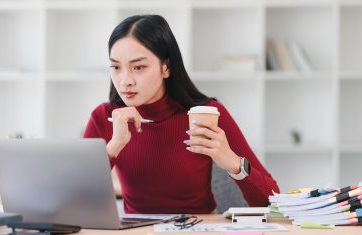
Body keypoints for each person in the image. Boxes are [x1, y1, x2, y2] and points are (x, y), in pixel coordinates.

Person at [84, 15, 279, 214]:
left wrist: (233, 162)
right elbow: (73, 200)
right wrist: (114, 147)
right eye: (116, 67)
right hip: (138, 230)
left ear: (165, 67)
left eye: (139, 67)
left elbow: (271, 200)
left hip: (196, 228)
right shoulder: (104, 117)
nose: (125, 81)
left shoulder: (208, 114)